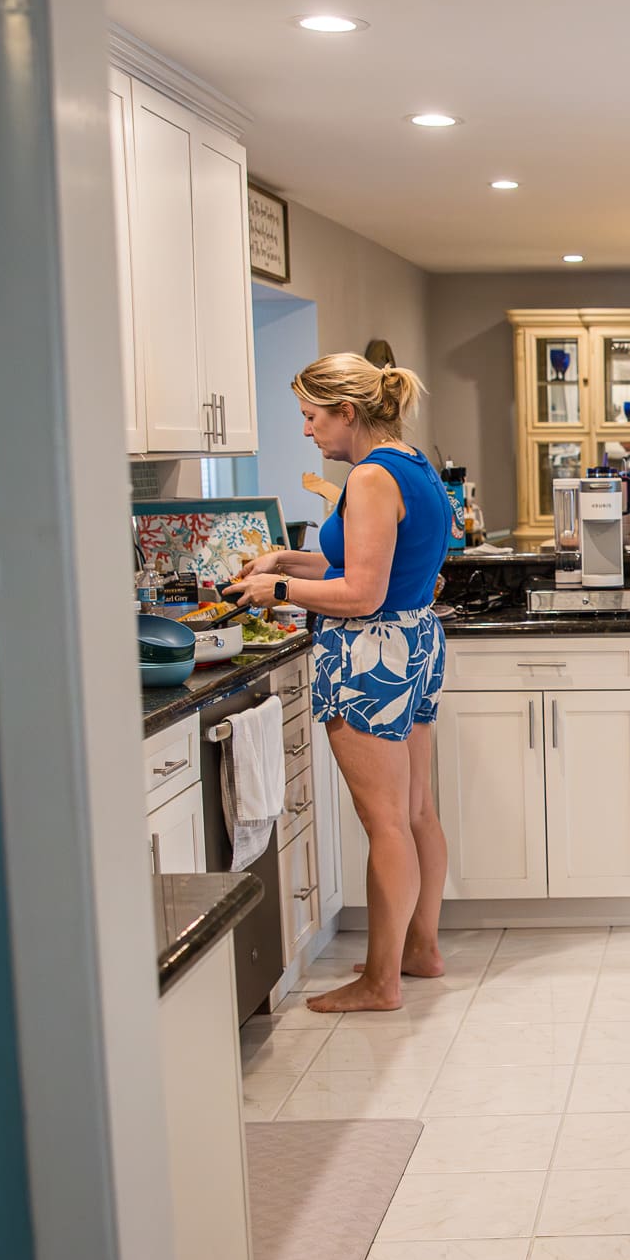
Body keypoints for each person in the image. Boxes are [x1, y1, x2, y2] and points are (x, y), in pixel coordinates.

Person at [225, 354, 454, 1014]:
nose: (305, 430)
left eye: (310, 415)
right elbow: (360, 554)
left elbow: (359, 589)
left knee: (384, 821)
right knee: (413, 812)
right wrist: (283, 557)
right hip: (411, 640)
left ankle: (381, 982)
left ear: (347, 413)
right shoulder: (409, 464)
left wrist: (277, 587)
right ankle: (419, 949)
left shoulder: (371, 476)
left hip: (368, 654)